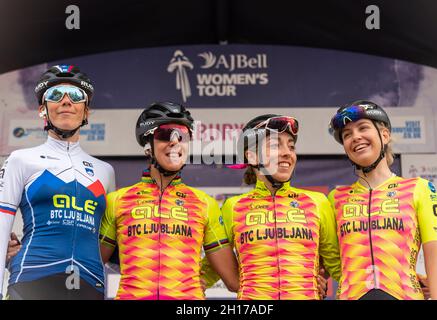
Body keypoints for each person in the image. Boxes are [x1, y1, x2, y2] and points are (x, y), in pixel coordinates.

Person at [99, 101, 239, 300]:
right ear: (148, 145)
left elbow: (234, 281)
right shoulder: (117, 200)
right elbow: (92, 269)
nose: (175, 142)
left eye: (182, 135)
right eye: (165, 135)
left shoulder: (205, 204)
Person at [0, 65, 116, 300]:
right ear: (43, 109)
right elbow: (2, 226)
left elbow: (109, 240)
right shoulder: (21, 160)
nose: (66, 101)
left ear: (86, 112)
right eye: (55, 95)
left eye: (75, 96)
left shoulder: (105, 172)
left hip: (90, 284)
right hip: (31, 279)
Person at [202, 114, 341, 299]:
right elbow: (213, 267)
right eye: (276, 145)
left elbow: (337, 265)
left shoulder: (318, 202)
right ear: (251, 156)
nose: (287, 153)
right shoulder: (233, 207)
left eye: (291, 146)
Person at [328, 100, 437, 300]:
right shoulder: (335, 199)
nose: (355, 137)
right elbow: (327, 260)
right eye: (347, 134)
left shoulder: (419, 189)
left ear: (385, 135)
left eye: (363, 128)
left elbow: (435, 256)